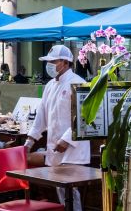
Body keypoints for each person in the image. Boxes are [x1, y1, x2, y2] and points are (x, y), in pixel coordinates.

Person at [24, 45, 90, 211]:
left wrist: (67, 139)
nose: (50, 65)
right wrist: (29, 141)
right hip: (55, 148)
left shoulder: (78, 83)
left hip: (73, 149)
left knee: (71, 191)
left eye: (53, 61)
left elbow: (85, 116)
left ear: (65, 63)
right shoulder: (50, 86)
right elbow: (41, 116)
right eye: (49, 61)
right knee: (61, 190)